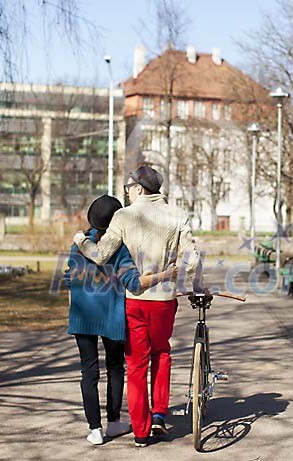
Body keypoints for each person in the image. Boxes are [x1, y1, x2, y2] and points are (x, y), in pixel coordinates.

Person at [74, 166, 200, 448]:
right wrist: (193, 284)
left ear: (140, 189)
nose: (126, 193)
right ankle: (158, 414)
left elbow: (101, 254)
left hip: (134, 302)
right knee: (162, 351)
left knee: (136, 364)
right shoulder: (177, 214)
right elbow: (191, 260)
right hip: (165, 301)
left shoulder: (123, 216)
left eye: (128, 188)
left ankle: (141, 433)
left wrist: (81, 241)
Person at [66, 194, 177, 446]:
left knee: (88, 370)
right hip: (112, 317)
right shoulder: (118, 249)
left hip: (82, 317)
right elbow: (134, 283)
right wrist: (165, 275)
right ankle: (114, 421)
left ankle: (94, 428)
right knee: (115, 368)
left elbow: (68, 278)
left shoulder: (79, 243)